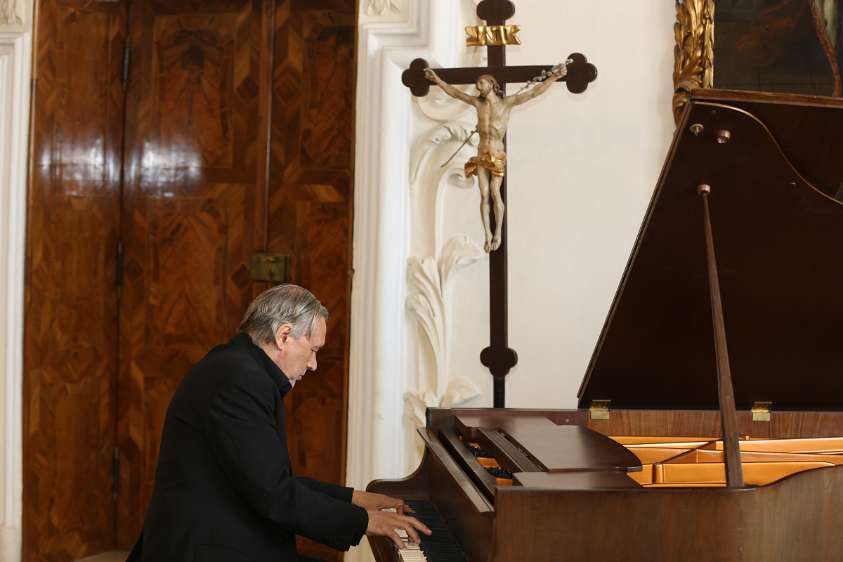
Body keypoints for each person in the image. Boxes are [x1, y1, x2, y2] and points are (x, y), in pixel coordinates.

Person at [127, 284, 429, 561]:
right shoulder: (239, 380)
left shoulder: (236, 366)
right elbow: (274, 494)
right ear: (284, 335)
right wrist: (366, 521)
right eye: (313, 350)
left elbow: (265, 479)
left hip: (221, 536)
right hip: (205, 549)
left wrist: (355, 499)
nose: (313, 365)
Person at [424, 66, 567, 252]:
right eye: (477, 83)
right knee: (483, 194)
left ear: (491, 84)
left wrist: (553, 78)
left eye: (481, 82)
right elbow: (456, 93)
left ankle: (498, 232)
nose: (478, 86)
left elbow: (533, 93)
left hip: (497, 153)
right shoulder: (478, 103)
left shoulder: (507, 103)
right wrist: (438, 81)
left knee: (494, 191)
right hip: (482, 153)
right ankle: (487, 234)